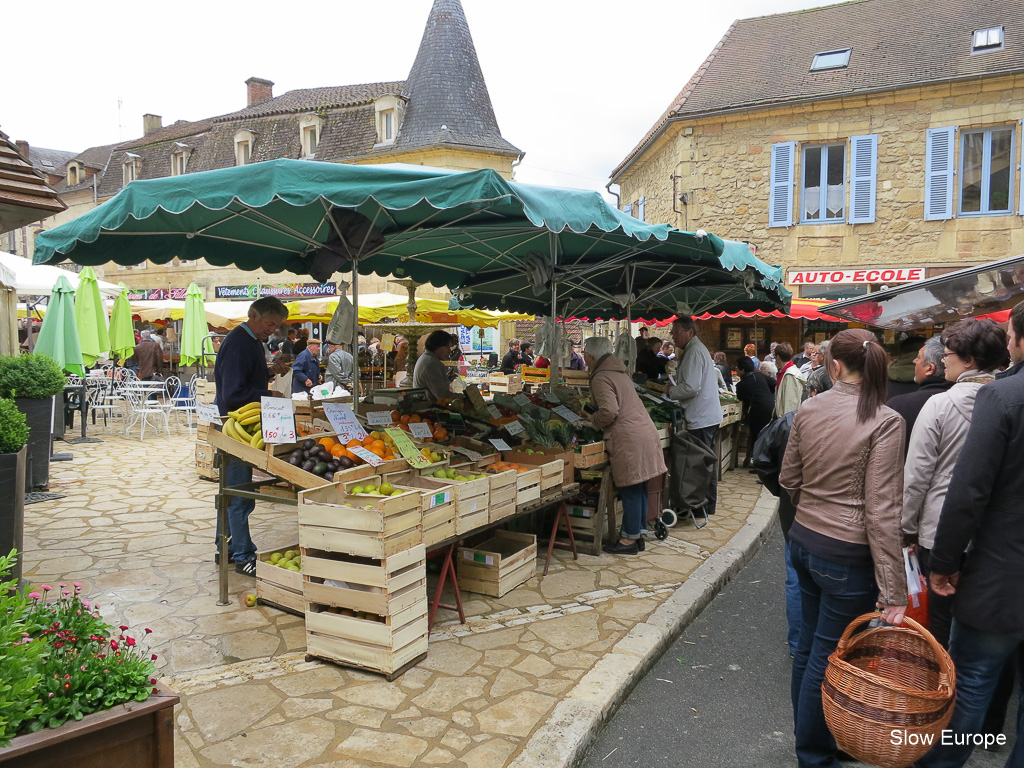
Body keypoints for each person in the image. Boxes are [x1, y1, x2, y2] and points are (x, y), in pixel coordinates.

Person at [780, 328, 907, 768]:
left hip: (804, 540)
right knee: (829, 655)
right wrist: (895, 591)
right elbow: (883, 509)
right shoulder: (885, 420)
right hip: (844, 555)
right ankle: (813, 752)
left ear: (833, 365)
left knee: (813, 651)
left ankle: (811, 741)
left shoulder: (810, 408)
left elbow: (788, 480)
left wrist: (814, 508)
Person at [916, 301, 1024, 768]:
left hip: (1001, 574)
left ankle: (941, 763)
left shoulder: (1003, 398)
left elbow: (968, 491)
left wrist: (943, 563)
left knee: (970, 683)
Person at [902, 318, 1006, 651]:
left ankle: (943, 684)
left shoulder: (941, 404)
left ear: (969, 360)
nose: (943, 359)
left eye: (948, 354)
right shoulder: (1009, 401)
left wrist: (906, 528)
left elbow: (917, 475)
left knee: (941, 621)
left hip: (940, 529)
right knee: (984, 622)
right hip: (993, 532)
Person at [214, 296, 291, 576]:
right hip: (236, 428)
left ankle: (225, 547)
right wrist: (268, 393)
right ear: (254, 315)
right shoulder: (239, 343)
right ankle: (243, 555)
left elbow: (244, 380)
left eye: (277, 327)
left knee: (232, 492)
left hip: (240, 425)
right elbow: (232, 393)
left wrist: (270, 372)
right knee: (239, 494)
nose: (272, 331)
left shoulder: (250, 342)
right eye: (270, 324)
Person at [582, 336, 667, 555]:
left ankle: (628, 540)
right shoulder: (619, 373)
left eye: (584, 354)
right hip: (643, 432)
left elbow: (610, 411)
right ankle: (637, 535)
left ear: (590, 356)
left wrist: (592, 420)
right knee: (639, 487)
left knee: (630, 488)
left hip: (629, 437)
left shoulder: (600, 377)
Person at [668, 317, 723, 515]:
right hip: (706, 415)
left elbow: (691, 387)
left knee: (700, 464)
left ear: (689, 333)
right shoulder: (695, 350)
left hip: (701, 417)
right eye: (672, 333)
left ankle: (701, 507)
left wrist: (670, 392)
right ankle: (707, 506)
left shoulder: (693, 352)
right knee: (706, 462)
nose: (673, 337)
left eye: (676, 332)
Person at [886, 337, 953, 458]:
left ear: (930, 368)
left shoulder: (897, 405)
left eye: (919, 357)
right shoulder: (966, 401)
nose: (914, 361)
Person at [735, 355, 773, 468]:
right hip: (769, 408)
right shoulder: (760, 376)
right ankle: (758, 461)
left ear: (742, 370)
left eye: (737, 368)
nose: (736, 370)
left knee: (757, 437)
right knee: (762, 437)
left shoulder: (741, 385)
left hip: (757, 412)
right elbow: (773, 383)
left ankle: (759, 464)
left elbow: (741, 398)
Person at [413, 330, 455, 401]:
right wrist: (465, 397)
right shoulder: (431, 363)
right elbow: (443, 395)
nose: (449, 351)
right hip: (430, 409)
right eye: (447, 347)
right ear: (437, 345)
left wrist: (446, 379)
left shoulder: (428, 359)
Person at [774, 343, 805, 418]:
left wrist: (785, 422)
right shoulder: (784, 372)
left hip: (786, 420)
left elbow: (790, 403)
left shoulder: (790, 375)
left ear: (778, 357)